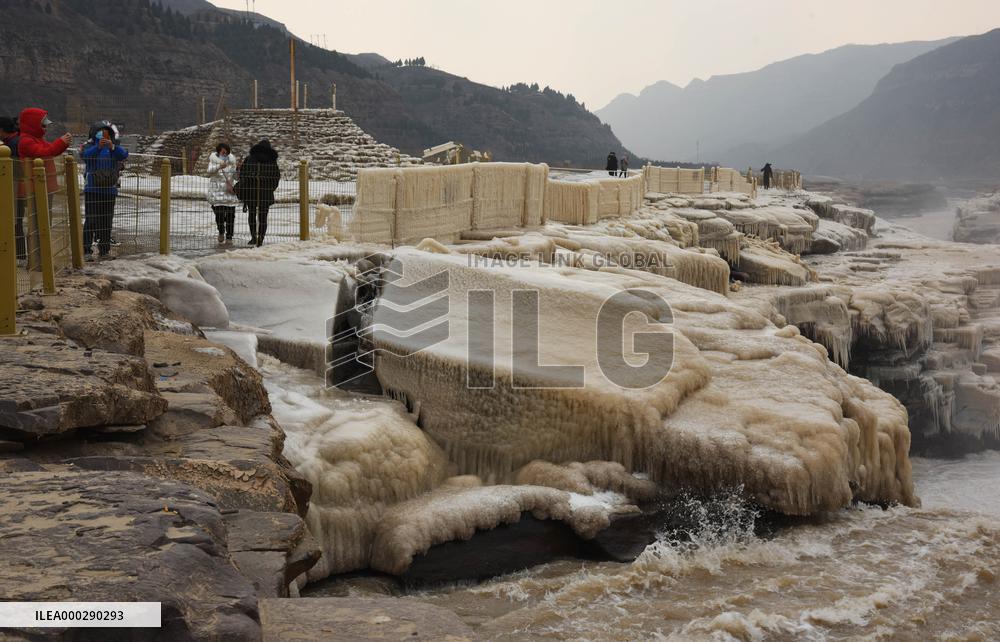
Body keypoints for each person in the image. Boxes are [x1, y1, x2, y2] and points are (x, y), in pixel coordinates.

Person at [81, 124, 128, 259]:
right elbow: (85, 156)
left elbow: (124, 155)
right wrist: (98, 147)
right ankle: (86, 250)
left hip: (109, 190)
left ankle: (104, 250)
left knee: (106, 221)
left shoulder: (114, 148)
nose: (103, 135)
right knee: (91, 220)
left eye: (106, 133)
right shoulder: (89, 146)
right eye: (100, 133)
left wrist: (112, 147)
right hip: (93, 189)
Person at [236, 139, 280, 247]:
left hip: (251, 192)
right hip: (265, 193)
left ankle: (253, 238)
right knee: (263, 217)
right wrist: (270, 189)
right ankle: (261, 239)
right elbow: (276, 177)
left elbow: (242, 175)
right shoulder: (272, 161)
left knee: (252, 215)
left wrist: (247, 186)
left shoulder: (249, 159)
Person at [0, 116, 26, 261]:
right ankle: (19, 256)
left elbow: (15, 170)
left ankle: (18, 257)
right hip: (19, 189)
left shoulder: (12, 145)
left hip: (15, 189)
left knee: (15, 223)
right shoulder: (16, 141)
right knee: (16, 223)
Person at [207, 142, 239, 245]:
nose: (224, 153)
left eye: (226, 152)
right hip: (217, 194)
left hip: (229, 193)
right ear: (218, 151)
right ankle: (221, 231)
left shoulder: (231, 162)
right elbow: (209, 172)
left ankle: (229, 236)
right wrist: (219, 166)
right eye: (222, 151)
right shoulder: (213, 161)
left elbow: (235, 178)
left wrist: (237, 170)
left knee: (230, 216)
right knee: (219, 215)